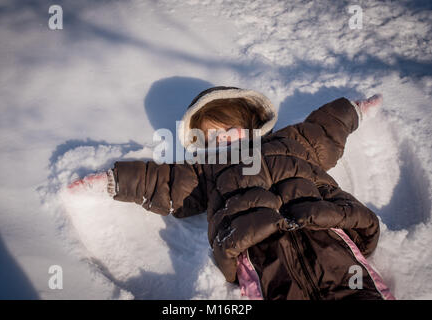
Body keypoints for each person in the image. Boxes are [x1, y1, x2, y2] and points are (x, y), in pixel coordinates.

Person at [68, 86, 394, 300]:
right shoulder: (208, 169)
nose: (224, 139)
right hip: (257, 247)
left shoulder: (291, 140)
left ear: (253, 125)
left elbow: (325, 128)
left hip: (323, 226)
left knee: (354, 289)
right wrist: (114, 181)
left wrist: (353, 110)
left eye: (230, 129)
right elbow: (164, 183)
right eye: (213, 137)